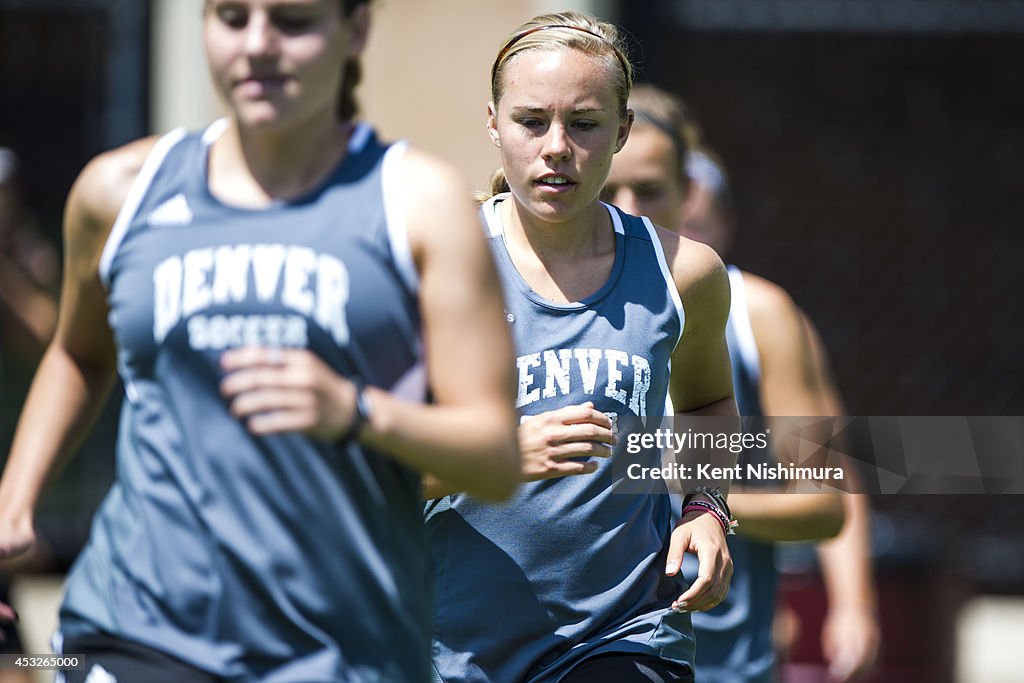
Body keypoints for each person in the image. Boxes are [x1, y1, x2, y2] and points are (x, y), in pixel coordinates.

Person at [0, 1, 521, 681]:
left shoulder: (417, 204)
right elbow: (79, 350)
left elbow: (496, 454)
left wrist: (355, 410)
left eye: (293, 21)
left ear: (355, 29)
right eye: (232, 17)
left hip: (337, 644)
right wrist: (15, 497)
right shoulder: (122, 193)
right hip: (134, 625)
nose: (257, 45)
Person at [425, 12, 739, 683]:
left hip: (625, 633)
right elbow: (364, 467)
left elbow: (709, 400)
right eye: (532, 120)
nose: (557, 146)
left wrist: (707, 504)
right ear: (493, 122)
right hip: (453, 647)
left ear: (622, 130)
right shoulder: (433, 267)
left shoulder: (683, 272)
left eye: (585, 123)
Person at [605, 83, 877, 682]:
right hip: (581, 652)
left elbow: (825, 501)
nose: (628, 207)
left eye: (649, 189)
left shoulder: (758, 314)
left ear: (689, 191)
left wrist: (706, 503)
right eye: (610, 189)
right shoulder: (542, 307)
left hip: (724, 664)